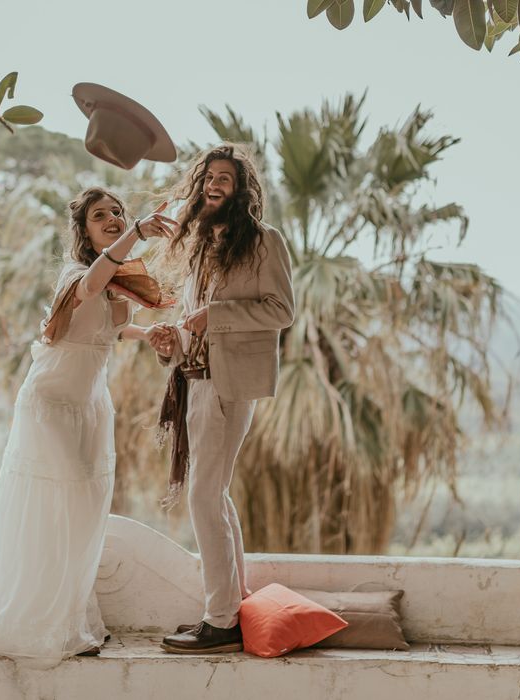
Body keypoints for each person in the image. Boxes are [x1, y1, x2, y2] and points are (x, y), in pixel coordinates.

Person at [0, 187, 176, 666]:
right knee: (54, 507)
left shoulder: (120, 279)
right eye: (99, 215)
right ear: (84, 231)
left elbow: (105, 329)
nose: (110, 218)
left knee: (85, 512)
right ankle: (31, 623)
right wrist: (135, 231)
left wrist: (146, 333)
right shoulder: (78, 272)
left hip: (91, 407)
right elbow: (88, 288)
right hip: (50, 404)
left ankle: (69, 618)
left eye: (117, 212)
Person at [153, 144, 295, 654]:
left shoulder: (263, 241)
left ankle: (220, 620)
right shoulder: (199, 245)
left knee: (203, 497)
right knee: (216, 494)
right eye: (209, 176)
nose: (214, 184)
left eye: (225, 179)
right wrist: (173, 344)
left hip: (230, 386)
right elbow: (196, 320)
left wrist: (215, 314)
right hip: (194, 381)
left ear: (241, 190)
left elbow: (281, 310)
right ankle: (235, 603)